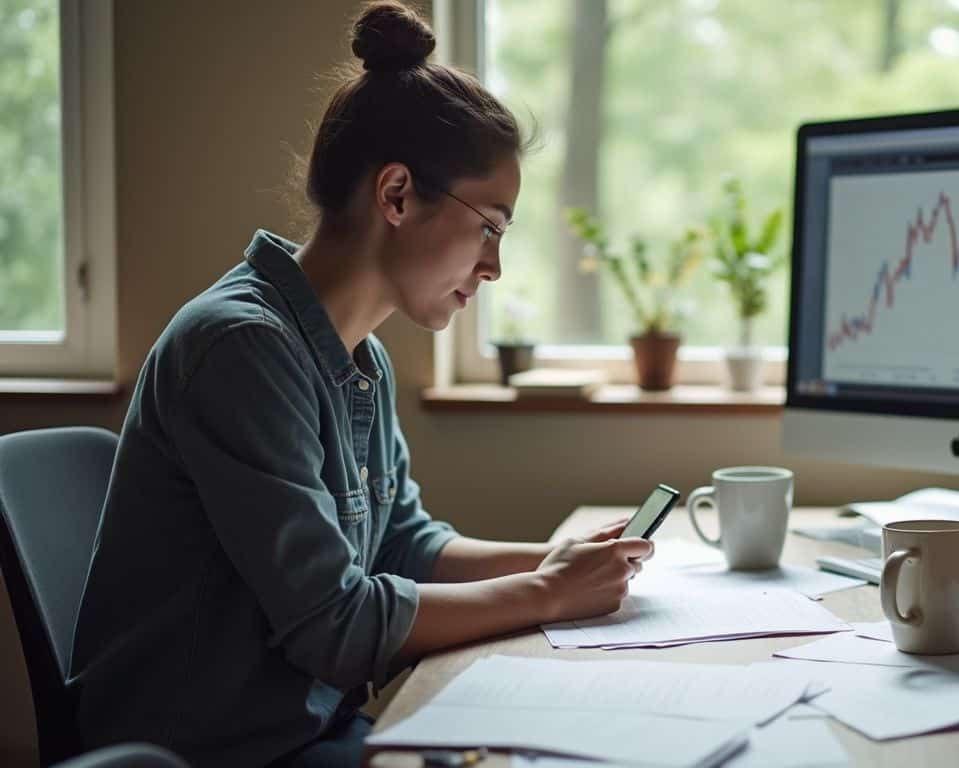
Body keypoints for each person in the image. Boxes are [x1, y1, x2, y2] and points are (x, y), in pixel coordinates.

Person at [67, 3, 653, 766]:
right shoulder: (242, 347)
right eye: (490, 227)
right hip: (215, 750)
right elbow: (335, 626)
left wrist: (550, 560)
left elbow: (406, 545)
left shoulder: (355, 356)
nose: (493, 267)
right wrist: (548, 595)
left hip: (301, 728)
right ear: (398, 194)